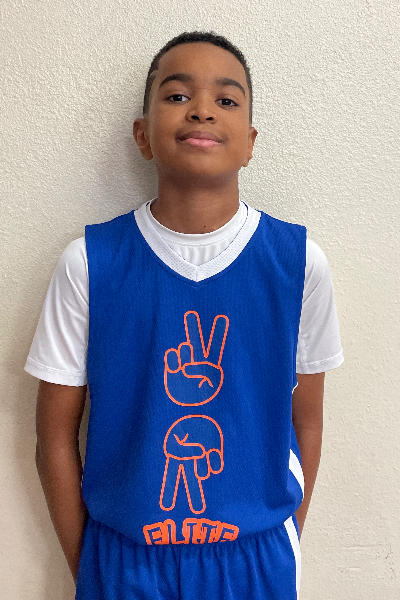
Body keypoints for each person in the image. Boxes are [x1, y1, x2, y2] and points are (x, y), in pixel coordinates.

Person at [25, 31, 344, 600]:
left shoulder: (298, 264)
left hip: (256, 559)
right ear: (142, 135)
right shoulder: (90, 263)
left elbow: (308, 422)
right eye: (176, 95)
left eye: (226, 99)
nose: (201, 110)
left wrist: (284, 539)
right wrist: (93, 565)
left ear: (250, 142)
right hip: (124, 559)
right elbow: (53, 435)